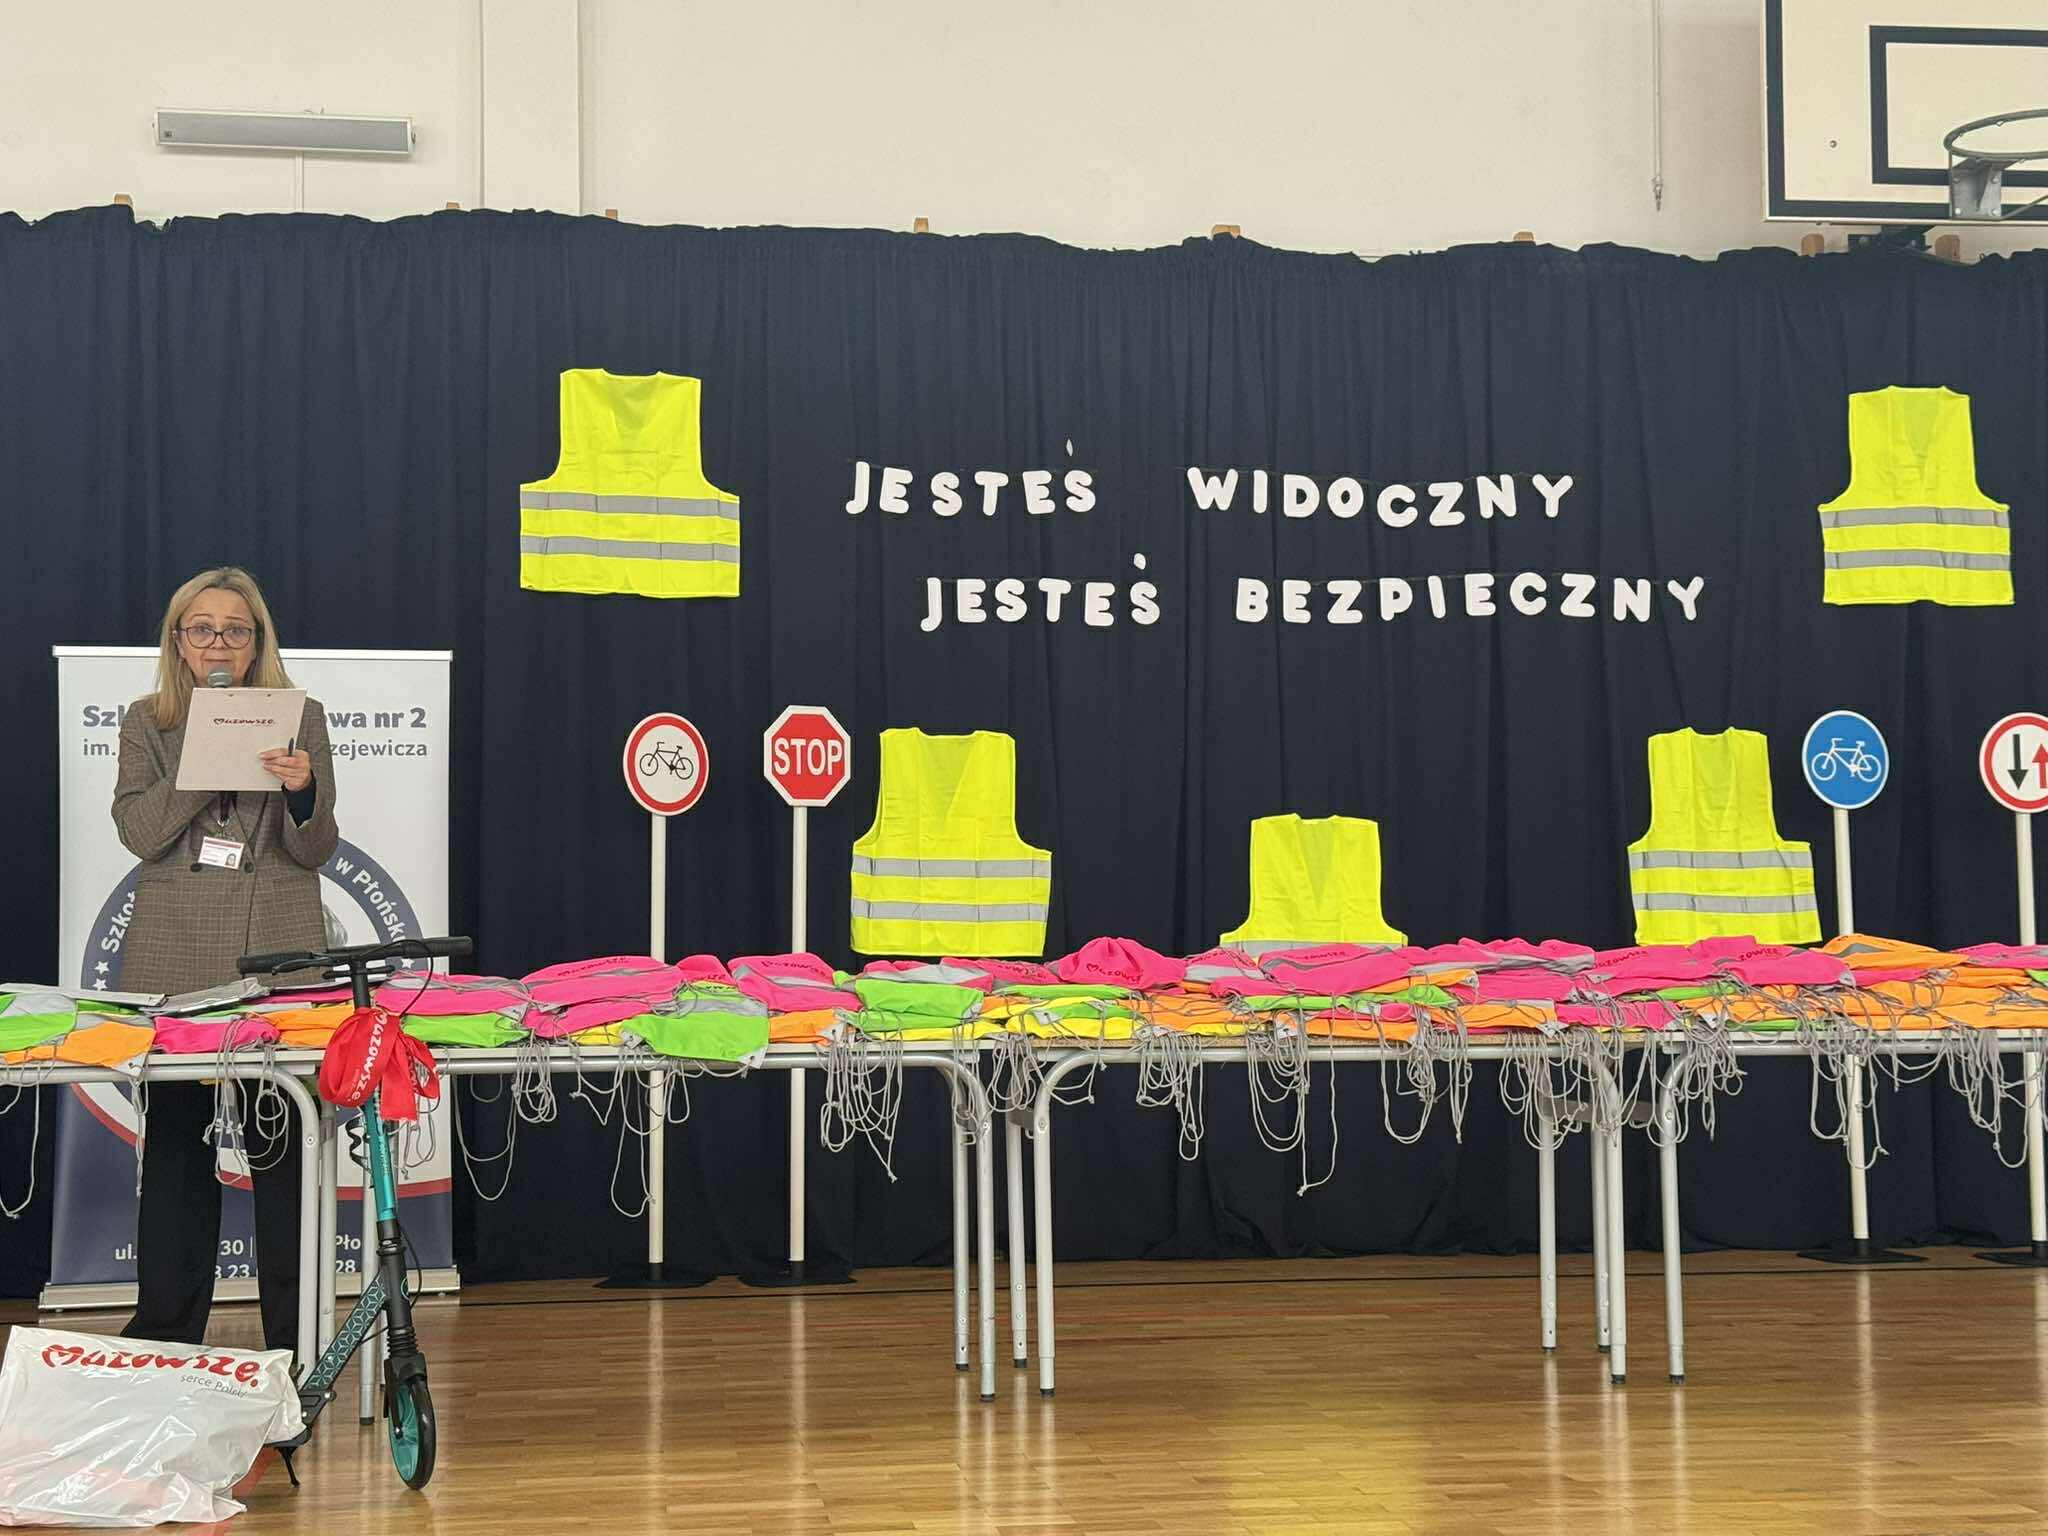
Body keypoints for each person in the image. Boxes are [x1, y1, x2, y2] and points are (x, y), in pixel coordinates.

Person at [112, 567, 338, 1355]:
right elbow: (139, 834)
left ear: (256, 642)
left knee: (283, 1142)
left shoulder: (301, 717)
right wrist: (198, 761)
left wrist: (303, 793)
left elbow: (316, 848)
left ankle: (297, 1339)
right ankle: (167, 1334)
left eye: (235, 630)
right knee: (177, 1143)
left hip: (277, 947)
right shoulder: (146, 722)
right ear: (179, 642)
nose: (218, 643)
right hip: (174, 951)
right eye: (202, 629)